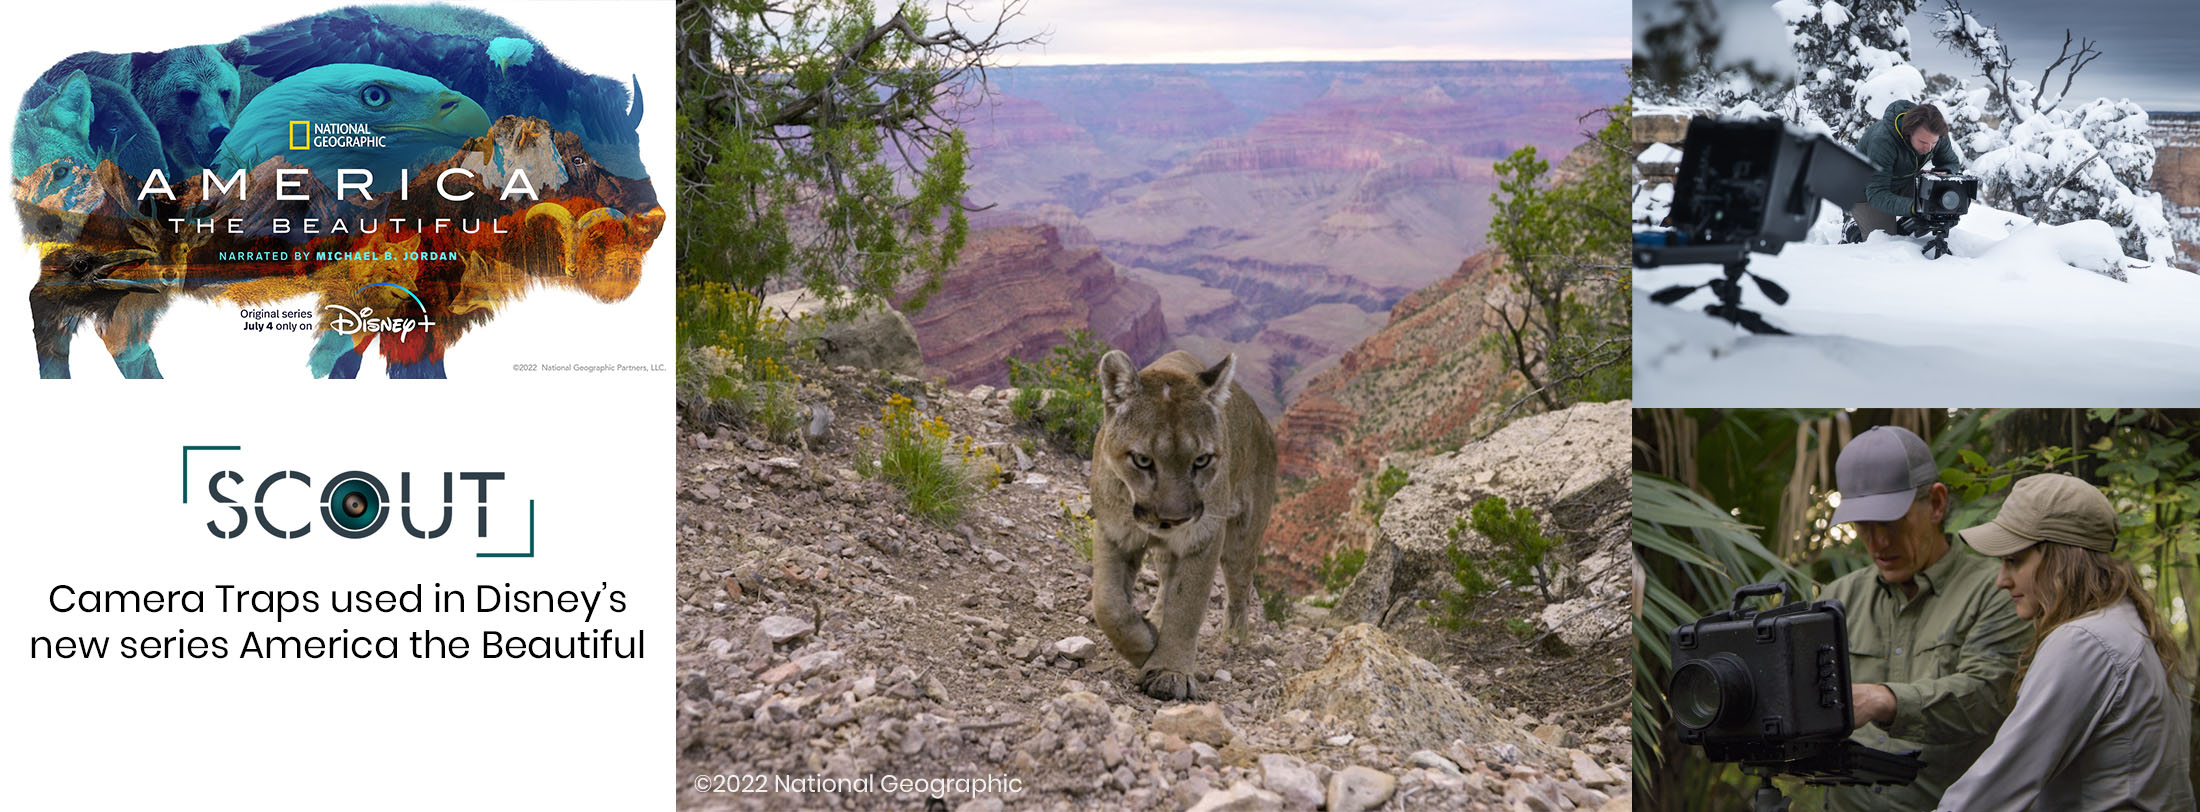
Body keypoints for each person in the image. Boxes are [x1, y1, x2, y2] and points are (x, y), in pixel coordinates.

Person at [1937, 474, 2194, 811]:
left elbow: (1993, 791)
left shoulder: (2082, 641)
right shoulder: (2133, 627)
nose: (2001, 580)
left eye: (2013, 560)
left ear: (2060, 560)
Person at [1819, 426, 2031, 811]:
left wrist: (1886, 700)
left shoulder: (1996, 592)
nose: (1878, 543)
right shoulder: (1838, 599)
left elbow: (1988, 696)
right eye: (1864, 525)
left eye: (1891, 522)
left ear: (1936, 504)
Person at [1849, 100, 1966, 241]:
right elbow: (1876, 193)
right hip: (1865, 189)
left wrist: (1945, 173)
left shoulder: (1935, 132)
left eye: (1933, 143)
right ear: (1908, 132)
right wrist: (1915, 207)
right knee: (1883, 240)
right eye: (1923, 142)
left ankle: (1903, 230)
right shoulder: (1883, 140)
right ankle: (1853, 229)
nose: (1929, 148)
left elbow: (1950, 161)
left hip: (1902, 180)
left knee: (1938, 207)